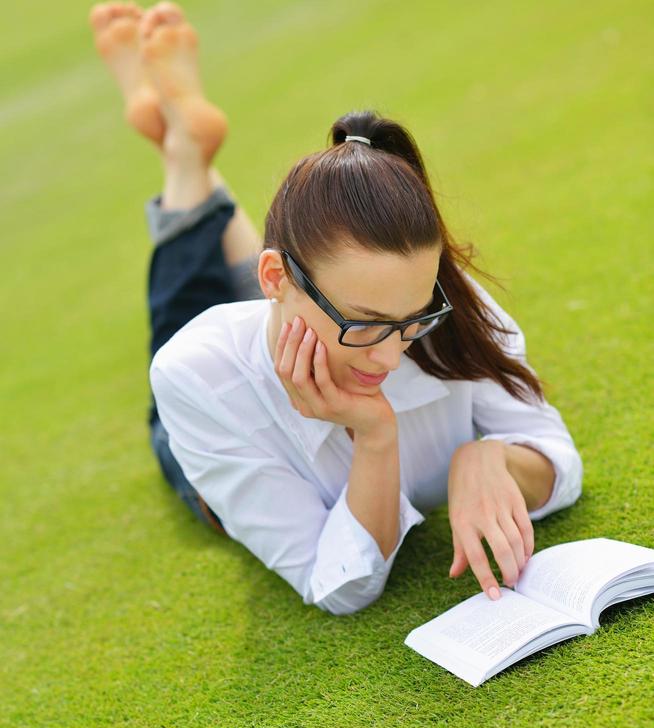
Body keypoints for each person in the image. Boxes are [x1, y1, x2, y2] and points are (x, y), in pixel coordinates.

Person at [90, 1, 583, 616]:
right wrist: (376, 436)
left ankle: (189, 148)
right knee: (181, 314)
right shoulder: (200, 376)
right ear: (275, 277)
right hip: (218, 423)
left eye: (410, 321)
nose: (390, 354)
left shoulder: (436, 304)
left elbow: (556, 457)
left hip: (296, 292)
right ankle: (186, 159)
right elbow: (339, 587)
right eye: (366, 325)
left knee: (310, 283)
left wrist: (490, 457)